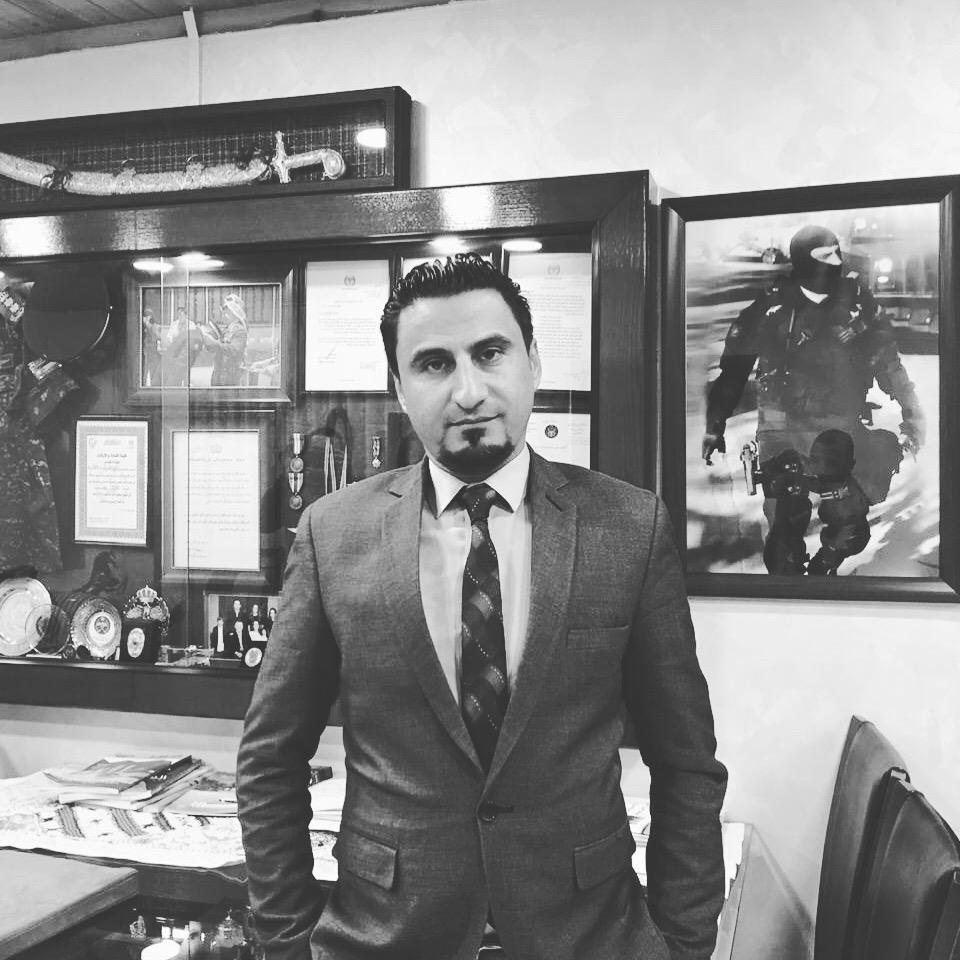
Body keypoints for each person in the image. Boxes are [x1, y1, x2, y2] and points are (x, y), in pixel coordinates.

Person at [237, 254, 727, 960]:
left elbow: (687, 762)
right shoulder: (332, 533)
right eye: (434, 364)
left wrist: (681, 943)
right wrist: (287, 943)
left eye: (490, 353)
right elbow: (269, 760)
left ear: (533, 361)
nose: (469, 391)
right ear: (398, 386)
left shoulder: (629, 527)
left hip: (588, 937)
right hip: (386, 938)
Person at [702, 224, 924, 575]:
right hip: (781, 427)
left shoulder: (859, 306)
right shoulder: (772, 307)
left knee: (850, 525)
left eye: (837, 253)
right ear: (803, 260)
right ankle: (790, 588)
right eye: (824, 256)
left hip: (839, 427)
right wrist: (715, 424)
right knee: (784, 534)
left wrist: (913, 414)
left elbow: (889, 364)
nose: (834, 262)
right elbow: (733, 370)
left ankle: (825, 567)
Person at [200, 292, 248, 386]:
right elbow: (218, 348)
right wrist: (208, 341)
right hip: (220, 376)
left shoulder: (240, 331)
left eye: (226, 311)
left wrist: (215, 344)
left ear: (233, 312)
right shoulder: (227, 329)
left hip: (231, 378)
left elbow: (235, 350)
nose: (223, 315)